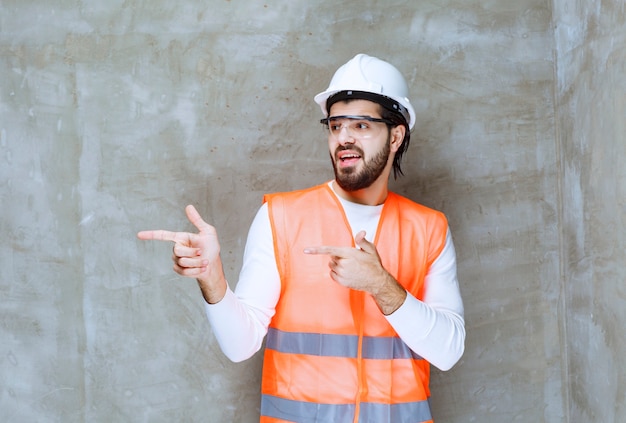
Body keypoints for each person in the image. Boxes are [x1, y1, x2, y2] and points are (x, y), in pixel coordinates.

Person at [138, 53, 465, 423]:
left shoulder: (429, 228)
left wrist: (381, 285)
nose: (343, 138)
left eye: (361, 126)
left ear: (396, 136)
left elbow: (449, 351)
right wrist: (212, 277)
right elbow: (239, 345)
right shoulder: (280, 217)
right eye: (336, 125)